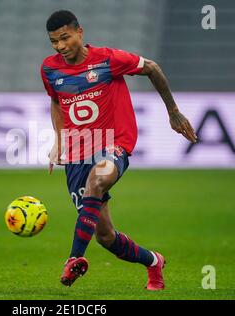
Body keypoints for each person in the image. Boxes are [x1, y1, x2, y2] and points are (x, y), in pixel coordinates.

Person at [40, 10, 197, 290]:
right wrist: (59, 141)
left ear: (80, 32)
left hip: (114, 142)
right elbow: (56, 102)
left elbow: (152, 68)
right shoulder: (50, 69)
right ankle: (153, 262)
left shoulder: (108, 59)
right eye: (54, 41)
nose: (61, 46)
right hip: (78, 153)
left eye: (65, 38)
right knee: (105, 236)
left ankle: (75, 258)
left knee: (98, 180)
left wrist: (173, 112)